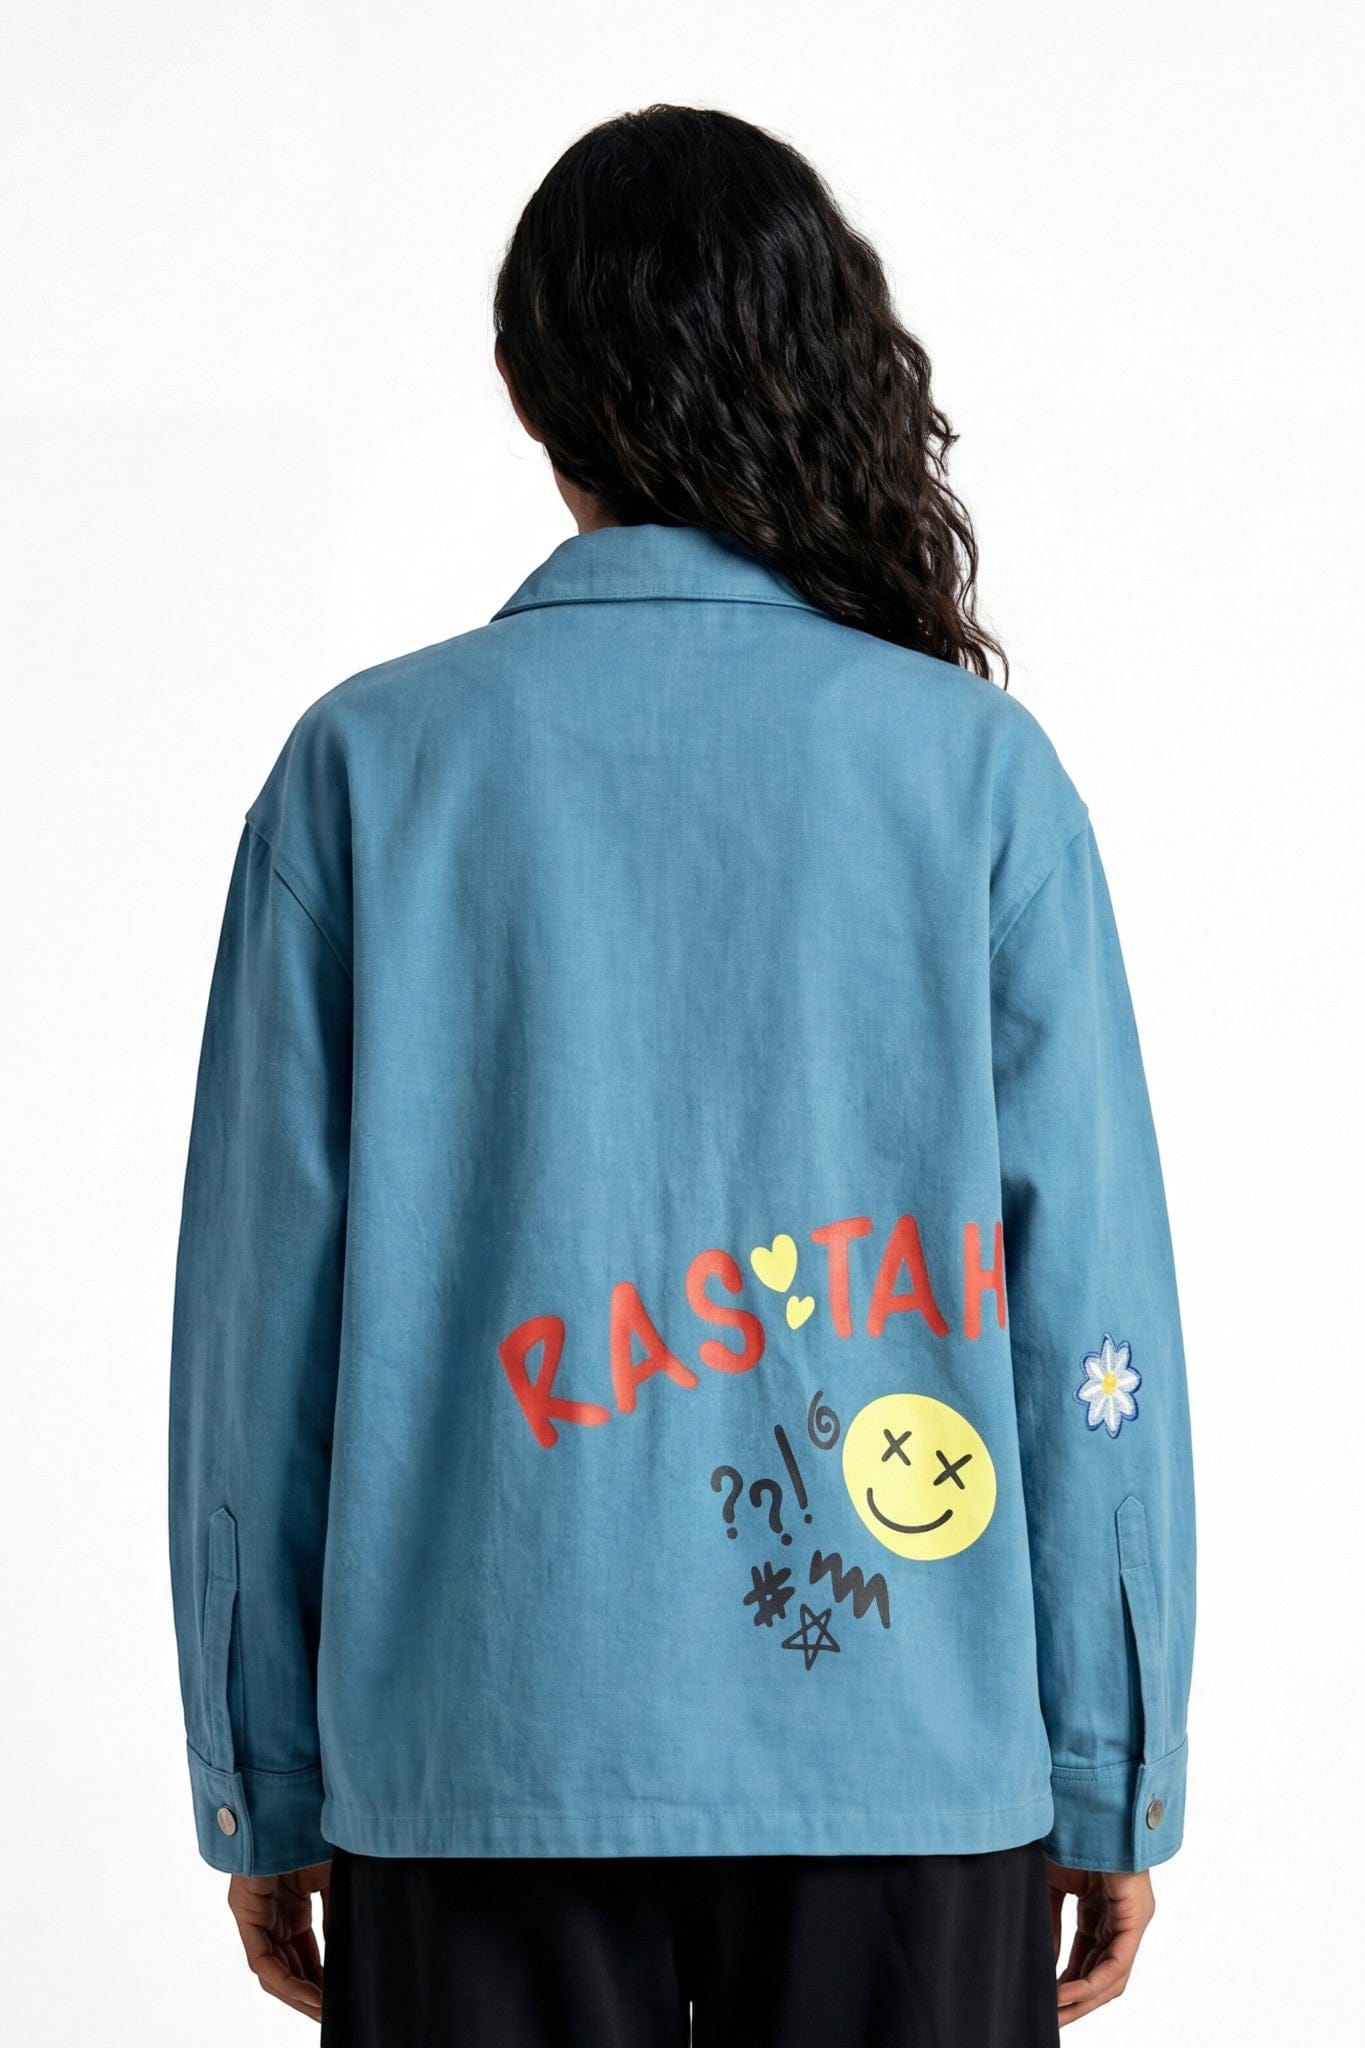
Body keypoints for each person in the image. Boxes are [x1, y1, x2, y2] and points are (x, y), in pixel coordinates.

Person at [167, 105, 1196, 2046]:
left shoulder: (363, 775)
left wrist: (265, 1776)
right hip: (908, 1769)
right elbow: (1086, 1319)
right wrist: (1106, 1760)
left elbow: (259, 1340)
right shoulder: (974, 779)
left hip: (472, 1761)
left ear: (526, 388)